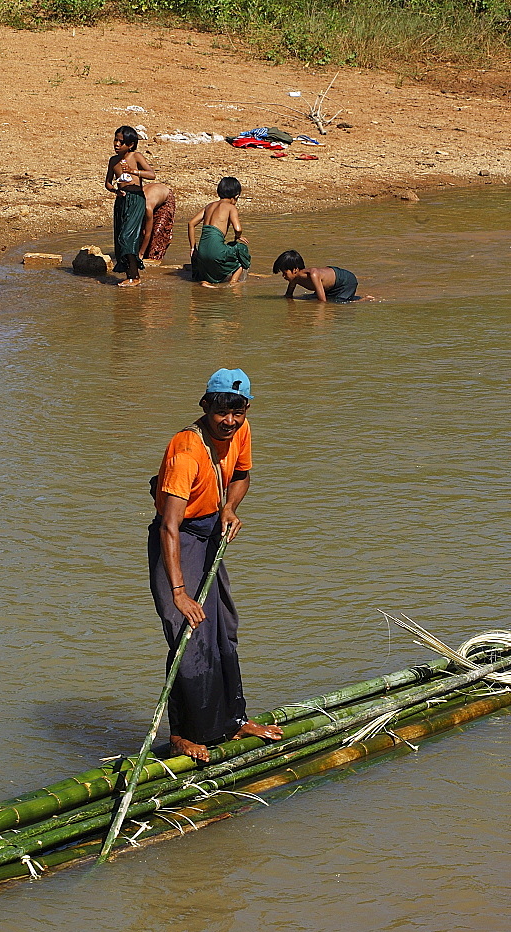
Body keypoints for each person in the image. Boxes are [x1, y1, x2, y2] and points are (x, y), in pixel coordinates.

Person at [148, 367, 283, 762]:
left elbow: (242, 474)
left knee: (223, 626)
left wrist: (229, 508)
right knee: (188, 633)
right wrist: (179, 593)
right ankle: (183, 734)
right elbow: (169, 527)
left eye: (237, 411)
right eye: (221, 411)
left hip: (210, 532)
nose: (229, 421)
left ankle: (233, 720)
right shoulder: (185, 451)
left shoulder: (240, 430)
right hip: (180, 538)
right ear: (205, 406)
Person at [104, 126, 156, 287]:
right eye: (116, 140)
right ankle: (130, 274)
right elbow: (107, 182)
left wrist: (134, 171)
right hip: (122, 199)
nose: (117, 144)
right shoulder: (113, 161)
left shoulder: (136, 156)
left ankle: (135, 276)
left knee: (128, 236)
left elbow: (151, 175)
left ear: (131, 144)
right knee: (120, 237)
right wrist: (114, 190)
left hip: (136, 199)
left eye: (121, 142)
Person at [188, 177, 251, 287]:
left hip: (202, 252)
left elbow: (191, 223)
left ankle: (206, 281)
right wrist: (238, 237)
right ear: (236, 196)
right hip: (216, 252)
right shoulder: (231, 207)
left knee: (228, 247)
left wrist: (193, 248)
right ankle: (233, 284)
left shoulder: (209, 206)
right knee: (242, 250)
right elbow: (238, 228)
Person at [272, 249, 370, 303]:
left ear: (295, 270)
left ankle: (363, 299)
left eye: (285, 273)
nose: (283, 276)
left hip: (346, 281)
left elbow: (322, 301)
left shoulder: (313, 275)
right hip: (330, 286)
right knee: (308, 297)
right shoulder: (294, 279)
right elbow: (288, 296)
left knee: (338, 302)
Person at [139, 182, 176, 262]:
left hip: (166, 200)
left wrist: (141, 254)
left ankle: (154, 259)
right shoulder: (133, 205)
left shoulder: (147, 207)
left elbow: (147, 233)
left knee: (157, 234)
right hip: (153, 195)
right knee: (140, 233)